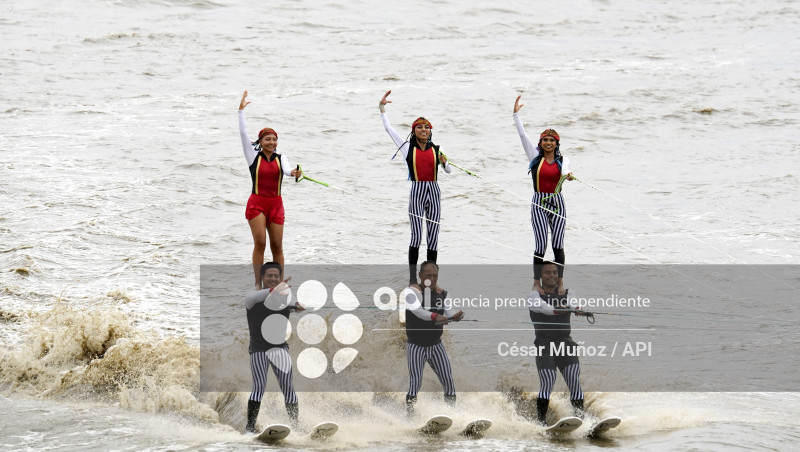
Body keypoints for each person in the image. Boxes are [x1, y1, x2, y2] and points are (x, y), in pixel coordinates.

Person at [379, 90, 452, 285]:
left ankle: (432, 280)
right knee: (416, 236)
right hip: (417, 191)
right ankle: (413, 280)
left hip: (434, 191)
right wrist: (382, 108)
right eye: (419, 128)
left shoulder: (438, 149)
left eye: (426, 128)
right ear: (414, 131)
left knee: (433, 237)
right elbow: (388, 129)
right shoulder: (406, 148)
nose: (423, 130)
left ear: (430, 131)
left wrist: (444, 162)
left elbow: (449, 171)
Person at [239, 90, 303, 289]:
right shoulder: (252, 156)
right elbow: (243, 134)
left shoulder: (280, 158)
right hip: (257, 204)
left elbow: (288, 170)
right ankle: (258, 284)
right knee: (260, 243)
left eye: (274, 139)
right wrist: (240, 112)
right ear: (260, 142)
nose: (272, 143)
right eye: (268, 139)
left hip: (276, 205)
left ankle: (279, 284)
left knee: (277, 246)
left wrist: (295, 173)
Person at [513, 95, 573, 295]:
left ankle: (561, 283)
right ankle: (536, 283)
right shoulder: (534, 157)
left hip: (557, 202)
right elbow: (523, 137)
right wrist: (515, 115)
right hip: (539, 201)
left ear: (557, 144)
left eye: (552, 141)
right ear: (541, 143)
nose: (548, 143)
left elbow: (566, 172)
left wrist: (568, 177)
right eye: (545, 140)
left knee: (557, 244)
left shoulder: (563, 160)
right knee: (540, 243)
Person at [244, 262, 305, 433]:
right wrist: (276, 290)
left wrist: (299, 305)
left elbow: (293, 302)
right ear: (262, 278)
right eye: (269, 276)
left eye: (276, 276)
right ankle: (249, 429)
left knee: (288, 388)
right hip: (258, 351)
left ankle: (296, 427)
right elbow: (259, 297)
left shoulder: (285, 299)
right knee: (258, 388)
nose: (273, 279)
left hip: (280, 350)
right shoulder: (252, 297)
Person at [526, 261, 587, 426]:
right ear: (540, 275)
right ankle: (541, 423)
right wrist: (557, 310)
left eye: (554, 272)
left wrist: (578, 309)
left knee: (574, 380)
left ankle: (581, 420)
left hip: (566, 344)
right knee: (548, 382)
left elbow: (573, 303)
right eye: (547, 273)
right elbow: (544, 308)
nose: (552, 275)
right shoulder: (534, 295)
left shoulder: (568, 293)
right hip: (545, 346)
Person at [403, 261, 463, 417]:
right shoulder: (411, 293)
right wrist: (435, 316)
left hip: (436, 345)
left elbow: (449, 312)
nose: (432, 278)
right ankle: (409, 417)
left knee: (448, 381)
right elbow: (419, 312)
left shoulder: (443, 294)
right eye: (428, 275)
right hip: (416, 346)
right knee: (415, 383)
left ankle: (451, 416)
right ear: (420, 276)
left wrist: (456, 316)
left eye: (435, 276)